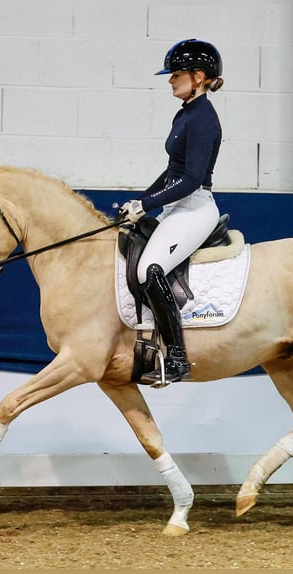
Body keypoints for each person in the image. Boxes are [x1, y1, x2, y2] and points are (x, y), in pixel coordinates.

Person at [120, 38, 225, 384]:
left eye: (176, 74)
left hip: (196, 208)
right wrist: (140, 202)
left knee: (151, 270)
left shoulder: (203, 119)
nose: (169, 80)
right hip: (179, 205)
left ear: (198, 77)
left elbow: (192, 179)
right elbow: (171, 172)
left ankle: (177, 358)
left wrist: (148, 204)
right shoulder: (185, 114)